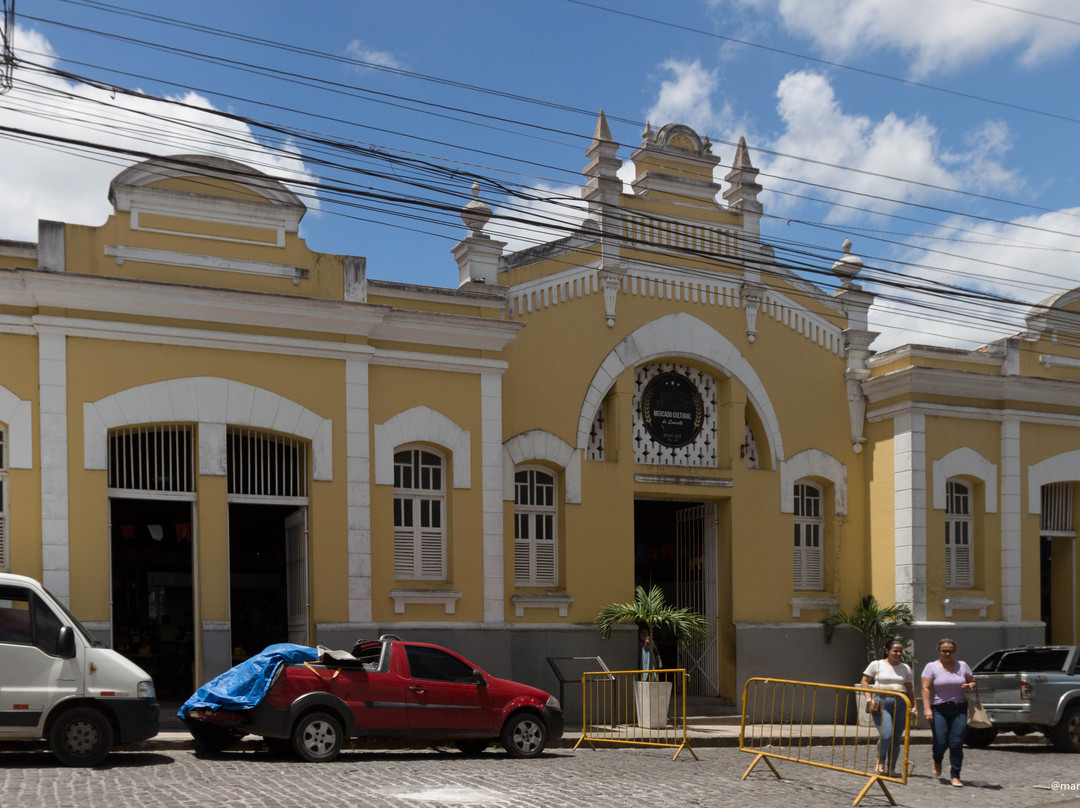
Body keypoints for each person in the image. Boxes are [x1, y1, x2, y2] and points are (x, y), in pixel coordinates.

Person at [921, 638, 976, 787]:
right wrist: (927, 708)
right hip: (939, 708)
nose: (947, 653)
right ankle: (937, 759)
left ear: (954, 651)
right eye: (944, 650)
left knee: (957, 742)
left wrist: (969, 685)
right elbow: (925, 688)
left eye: (950, 651)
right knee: (940, 741)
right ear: (939, 651)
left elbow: (972, 681)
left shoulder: (962, 665)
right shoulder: (931, 667)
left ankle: (955, 774)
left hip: (960, 708)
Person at [860, 639, 917, 777]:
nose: (898, 653)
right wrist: (869, 698)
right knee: (886, 735)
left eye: (900, 651)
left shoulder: (905, 668)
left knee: (896, 738)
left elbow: (909, 688)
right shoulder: (876, 664)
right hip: (881, 702)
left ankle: (892, 768)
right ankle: (881, 760)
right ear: (887, 651)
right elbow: (865, 681)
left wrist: (914, 706)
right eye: (895, 650)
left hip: (901, 703)